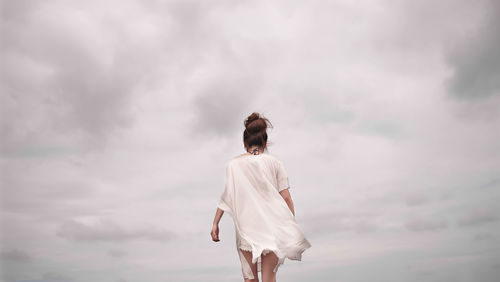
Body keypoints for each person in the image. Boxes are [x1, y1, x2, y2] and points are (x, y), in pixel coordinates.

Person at [210, 112, 312, 282]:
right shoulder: (275, 163)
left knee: (250, 279)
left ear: (244, 143)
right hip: (271, 229)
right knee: (269, 278)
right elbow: (286, 198)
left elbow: (227, 196)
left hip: (246, 231)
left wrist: (215, 224)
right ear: (265, 142)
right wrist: (289, 226)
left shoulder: (233, 165)